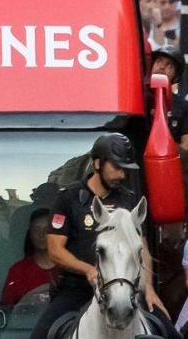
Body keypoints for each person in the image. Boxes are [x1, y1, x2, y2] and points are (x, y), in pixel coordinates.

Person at [29, 133, 158, 339]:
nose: (122, 175)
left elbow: (142, 251)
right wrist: (88, 269)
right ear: (98, 163)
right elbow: (55, 251)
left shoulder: (129, 200)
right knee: (39, 335)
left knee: (169, 330)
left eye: (125, 169)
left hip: (125, 291)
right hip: (77, 291)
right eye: (117, 167)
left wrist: (148, 288)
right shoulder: (68, 198)